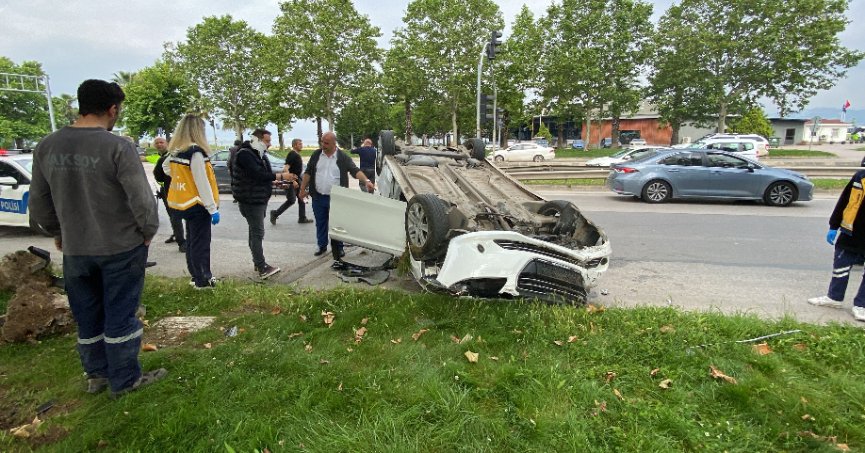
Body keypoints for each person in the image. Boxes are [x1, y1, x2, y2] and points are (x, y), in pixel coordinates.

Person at [28, 79, 166, 399]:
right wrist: (147, 232)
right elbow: (142, 201)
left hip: (76, 250)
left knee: (87, 316)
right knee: (120, 315)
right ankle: (125, 380)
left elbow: (38, 204)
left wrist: (59, 233)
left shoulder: (46, 146)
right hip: (120, 247)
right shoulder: (118, 147)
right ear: (112, 109)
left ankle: (96, 375)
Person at [162, 114, 221, 289]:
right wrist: (212, 209)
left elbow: (165, 167)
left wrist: (182, 179)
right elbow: (202, 183)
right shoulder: (195, 152)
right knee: (201, 243)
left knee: (192, 241)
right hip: (198, 204)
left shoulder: (178, 150)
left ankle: (195, 275)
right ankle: (203, 279)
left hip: (184, 203)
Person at [299, 131, 374, 260]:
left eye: (326, 142)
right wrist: (302, 189)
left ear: (334, 143)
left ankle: (339, 248)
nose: (323, 144)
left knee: (337, 224)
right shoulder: (316, 155)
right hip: (318, 196)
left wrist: (366, 181)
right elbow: (308, 173)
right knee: (320, 222)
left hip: (336, 198)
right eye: (322, 142)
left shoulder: (342, 157)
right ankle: (321, 245)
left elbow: (355, 171)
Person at [232, 128, 293, 279]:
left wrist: (278, 182)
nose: (269, 144)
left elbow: (261, 177)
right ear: (257, 140)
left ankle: (257, 262)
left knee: (254, 232)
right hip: (251, 201)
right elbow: (257, 174)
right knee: (257, 233)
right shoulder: (245, 154)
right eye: (267, 141)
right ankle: (262, 267)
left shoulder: (257, 154)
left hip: (257, 199)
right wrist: (280, 175)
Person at [808, 169, 865, 322]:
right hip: (851, 233)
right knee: (841, 266)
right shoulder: (860, 177)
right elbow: (845, 200)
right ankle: (834, 297)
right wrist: (834, 225)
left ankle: (862, 305)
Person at [152, 137, 187, 252]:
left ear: (167, 144)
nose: (159, 145)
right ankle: (177, 235)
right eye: (157, 143)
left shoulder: (166, 158)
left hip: (174, 190)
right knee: (174, 216)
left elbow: (158, 176)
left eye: (161, 142)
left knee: (175, 216)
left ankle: (181, 242)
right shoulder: (161, 157)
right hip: (167, 190)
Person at [270, 138, 312, 225]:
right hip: (291, 181)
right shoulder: (292, 154)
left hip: (297, 180)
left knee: (301, 198)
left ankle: (302, 218)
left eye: (301, 143)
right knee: (291, 200)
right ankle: (275, 213)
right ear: (295, 145)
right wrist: (293, 181)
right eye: (299, 144)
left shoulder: (296, 155)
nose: (301, 145)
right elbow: (285, 169)